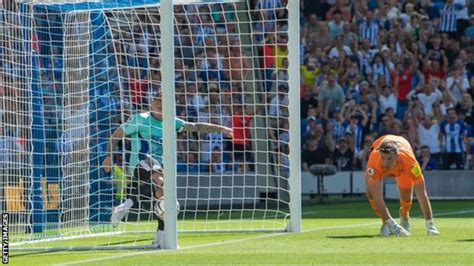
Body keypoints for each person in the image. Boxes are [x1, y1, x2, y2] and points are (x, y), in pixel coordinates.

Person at [102, 92, 233, 248]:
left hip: (162, 166)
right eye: (157, 100)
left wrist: (223, 129)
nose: (160, 104)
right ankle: (127, 207)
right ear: (151, 103)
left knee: (162, 197)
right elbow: (116, 135)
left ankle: (158, 235)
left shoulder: (172, 122)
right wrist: (109, 156)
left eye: (163, 101)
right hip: (140, 161)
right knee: (161, 184)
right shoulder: (141, 119)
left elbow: (196, 126)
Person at [365, 134, 440, 237]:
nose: (385, 163)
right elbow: (378, 198)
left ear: (397, 156)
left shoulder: (409, 162)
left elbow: (422, 194)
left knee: (406, 198)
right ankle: (385, 223)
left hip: (403, 160)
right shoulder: (374, 161)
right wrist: (392, 224)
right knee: (370, 194)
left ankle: (404, 214)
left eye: (389, 158)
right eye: (383, 158)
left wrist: (430, 225)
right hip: (379, 147)